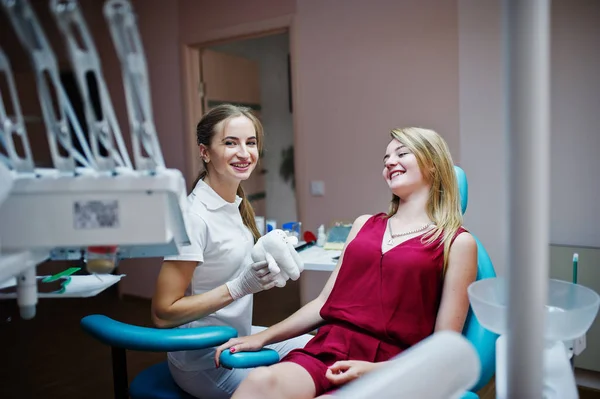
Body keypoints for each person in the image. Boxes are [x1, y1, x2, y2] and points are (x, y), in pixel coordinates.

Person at [214, 127, 479, 399]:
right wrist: (262, 337)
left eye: (402, 153)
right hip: (329, 348)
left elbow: (444, 345)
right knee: (260, 382)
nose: (389, 162)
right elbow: (323, 304)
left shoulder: (456, 243)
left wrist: (373, 370)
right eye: (385, 158)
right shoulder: (363, 225)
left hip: (396, 365)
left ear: (433, 165)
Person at [151, 104, 312, 399]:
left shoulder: (234, 202)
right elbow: (163, 314)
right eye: (230, 142)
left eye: (250, 142)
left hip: (236, 337)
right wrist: (239, 286)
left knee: (318, 347)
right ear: (205, 152)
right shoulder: (194, 217)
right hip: (203, 358)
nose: (244, 153)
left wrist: (262, 259)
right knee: (297, 386)